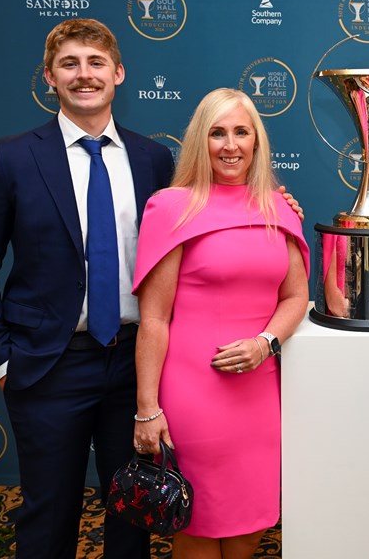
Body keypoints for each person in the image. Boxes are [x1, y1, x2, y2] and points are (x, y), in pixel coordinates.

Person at [0, 18, 174, 559]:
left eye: (96, 63)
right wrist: (3, 364)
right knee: (48, 520)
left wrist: (271, 202)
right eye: (69, 64)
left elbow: (189, 240)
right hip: (48, 366)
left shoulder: (152, 159)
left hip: (133, 368)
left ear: (118, 73)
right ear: (49, 77)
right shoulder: (9, 159)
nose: (84, 75)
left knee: (133, 517)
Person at [131, 88, 310, 559]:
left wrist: (265, 342)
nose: (230, 145)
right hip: (192, 396)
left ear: (256, 142)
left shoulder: (277, 206)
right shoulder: (172, 207)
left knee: (249, 525)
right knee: (197, 527)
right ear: (200, 141)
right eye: (217, 133)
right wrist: (147, 408)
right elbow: (153, 318)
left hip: (258, 394)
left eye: (240, 132)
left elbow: (295, 296)